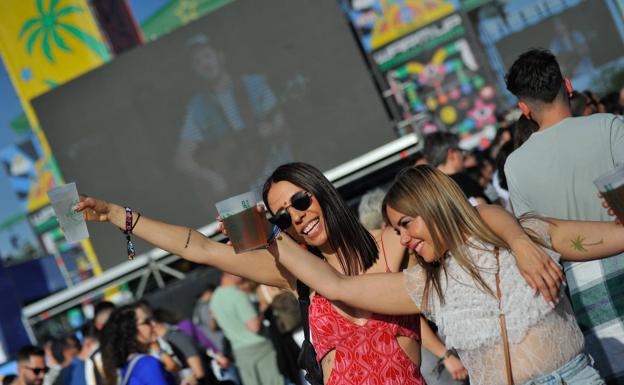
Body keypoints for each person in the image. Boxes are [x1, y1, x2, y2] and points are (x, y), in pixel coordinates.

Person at [75, 162, 562, 384]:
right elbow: (200, 248)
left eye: (300, 200)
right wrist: (120, 216)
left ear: (321, 193)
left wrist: (520, 241)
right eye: (281, 215)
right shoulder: (296, 272)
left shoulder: (392, 241)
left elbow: (471, 214)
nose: (297, 215)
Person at [265, 165, 624, 385]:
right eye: (396, 230)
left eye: (405, 225)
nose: (403, 240)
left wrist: (518, 240)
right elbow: (335, 285)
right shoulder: (426, 282)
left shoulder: (529, 236)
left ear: (434, 208)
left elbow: (616, 238)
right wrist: (268, 235)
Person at [504, 48, 624, 381]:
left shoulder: (516, 165)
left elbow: (536, 239)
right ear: (568, 86)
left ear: (523, 108)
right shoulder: (610, 126)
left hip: (583, 296)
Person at [210, 273, 284, 385]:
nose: (242, 273)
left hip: (239, 350)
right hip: (260, 348)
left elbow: (214, 325)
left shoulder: (214, 298)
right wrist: (263, 310)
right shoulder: (237, 295)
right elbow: (254, 327)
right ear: (228, 273)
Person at [99, 304, 175, 385]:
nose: (153, 324)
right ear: (131, 329)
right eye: (146, 322)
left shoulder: (124, 368)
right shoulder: (146, 364)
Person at [423, 132, 489, 206]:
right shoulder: (462, 181)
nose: (462, 155)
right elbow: (484, 207)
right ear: (451, 154)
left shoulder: (430, 191)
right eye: (459, 150)